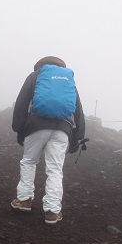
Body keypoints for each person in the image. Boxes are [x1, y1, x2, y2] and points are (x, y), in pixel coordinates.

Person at [10, 56, 85, 225]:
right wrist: (78, 135)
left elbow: (22, 102)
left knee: (29, 161)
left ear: (41, 65)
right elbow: (77, 109)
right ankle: (52, 210)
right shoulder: (68, 79)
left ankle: (24, 200)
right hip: (63, 129)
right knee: (55, 169)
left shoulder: (35, 76)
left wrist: (18, 128)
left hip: (36, 124)